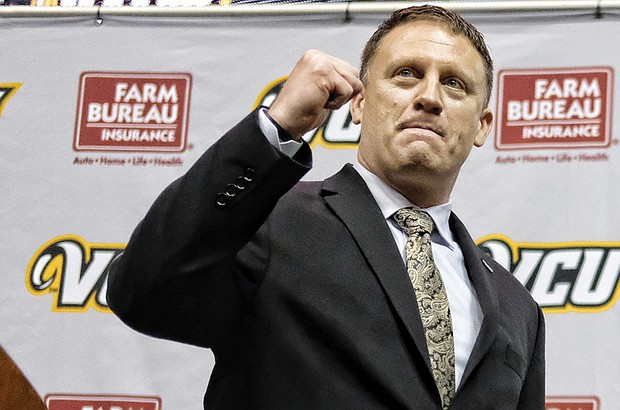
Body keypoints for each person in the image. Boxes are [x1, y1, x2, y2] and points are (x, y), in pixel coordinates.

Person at [107, 5, 545, 409]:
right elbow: (142, 290)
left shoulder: (517, 307)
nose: (429, 97)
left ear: (482, 125)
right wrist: (275, 128)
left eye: (454, 83)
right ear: (359, 102)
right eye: (407, 74)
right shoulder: (270, 221)